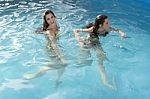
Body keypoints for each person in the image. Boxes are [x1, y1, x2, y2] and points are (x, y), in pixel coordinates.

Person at [73, 15, 126, 89]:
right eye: (107, 23)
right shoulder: (93, 29)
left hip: (96, 41)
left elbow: (117, 30)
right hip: (91, 40)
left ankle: (105, 79)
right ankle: (105, 81)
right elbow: (76, 30)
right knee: (99, 57)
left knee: (102, 57)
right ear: (101, 25)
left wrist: (122, 33)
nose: (109, 24)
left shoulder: (107, 28)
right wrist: (78, 38)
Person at [23, 10, 67, 85]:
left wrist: (41, 30)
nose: (51, 20)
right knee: (52, 65)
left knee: (61, 66)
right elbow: (53, 44)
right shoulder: (50, 32)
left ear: (55, 17)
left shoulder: (56, 26)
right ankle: (33, 76)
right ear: (46, 21)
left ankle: (58, 80)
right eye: (48, 19)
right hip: (51, 49)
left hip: (54, 47)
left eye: (52, 17)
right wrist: (61, 57)